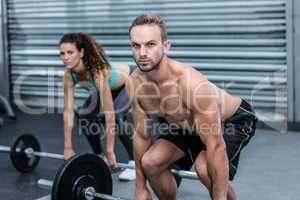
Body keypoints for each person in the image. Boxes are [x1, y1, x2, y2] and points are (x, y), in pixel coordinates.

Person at [125, 13, 258, 200]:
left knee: (204, 169)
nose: (142, 53)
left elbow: (216, 145)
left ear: (166, 46)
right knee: (150, 162)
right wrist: (140, 188)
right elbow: (141, 135)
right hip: (186, 127)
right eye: (136, 45)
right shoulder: (135, 83)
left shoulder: (190, 84)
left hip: (231, 120)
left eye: (150, 44)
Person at [60, 32, 136, 181]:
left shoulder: (96, 72)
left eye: (70, 52)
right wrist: (68, 146)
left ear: (81, 53)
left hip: (130, 79)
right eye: (62, 53)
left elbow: (109, 115)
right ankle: (99, 157)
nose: (65, 57)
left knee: (116, 115)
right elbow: (68, 112)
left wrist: (111, 151)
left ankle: (134, 163)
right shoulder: (69, 75)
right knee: (85, 116)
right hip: (110, 87)